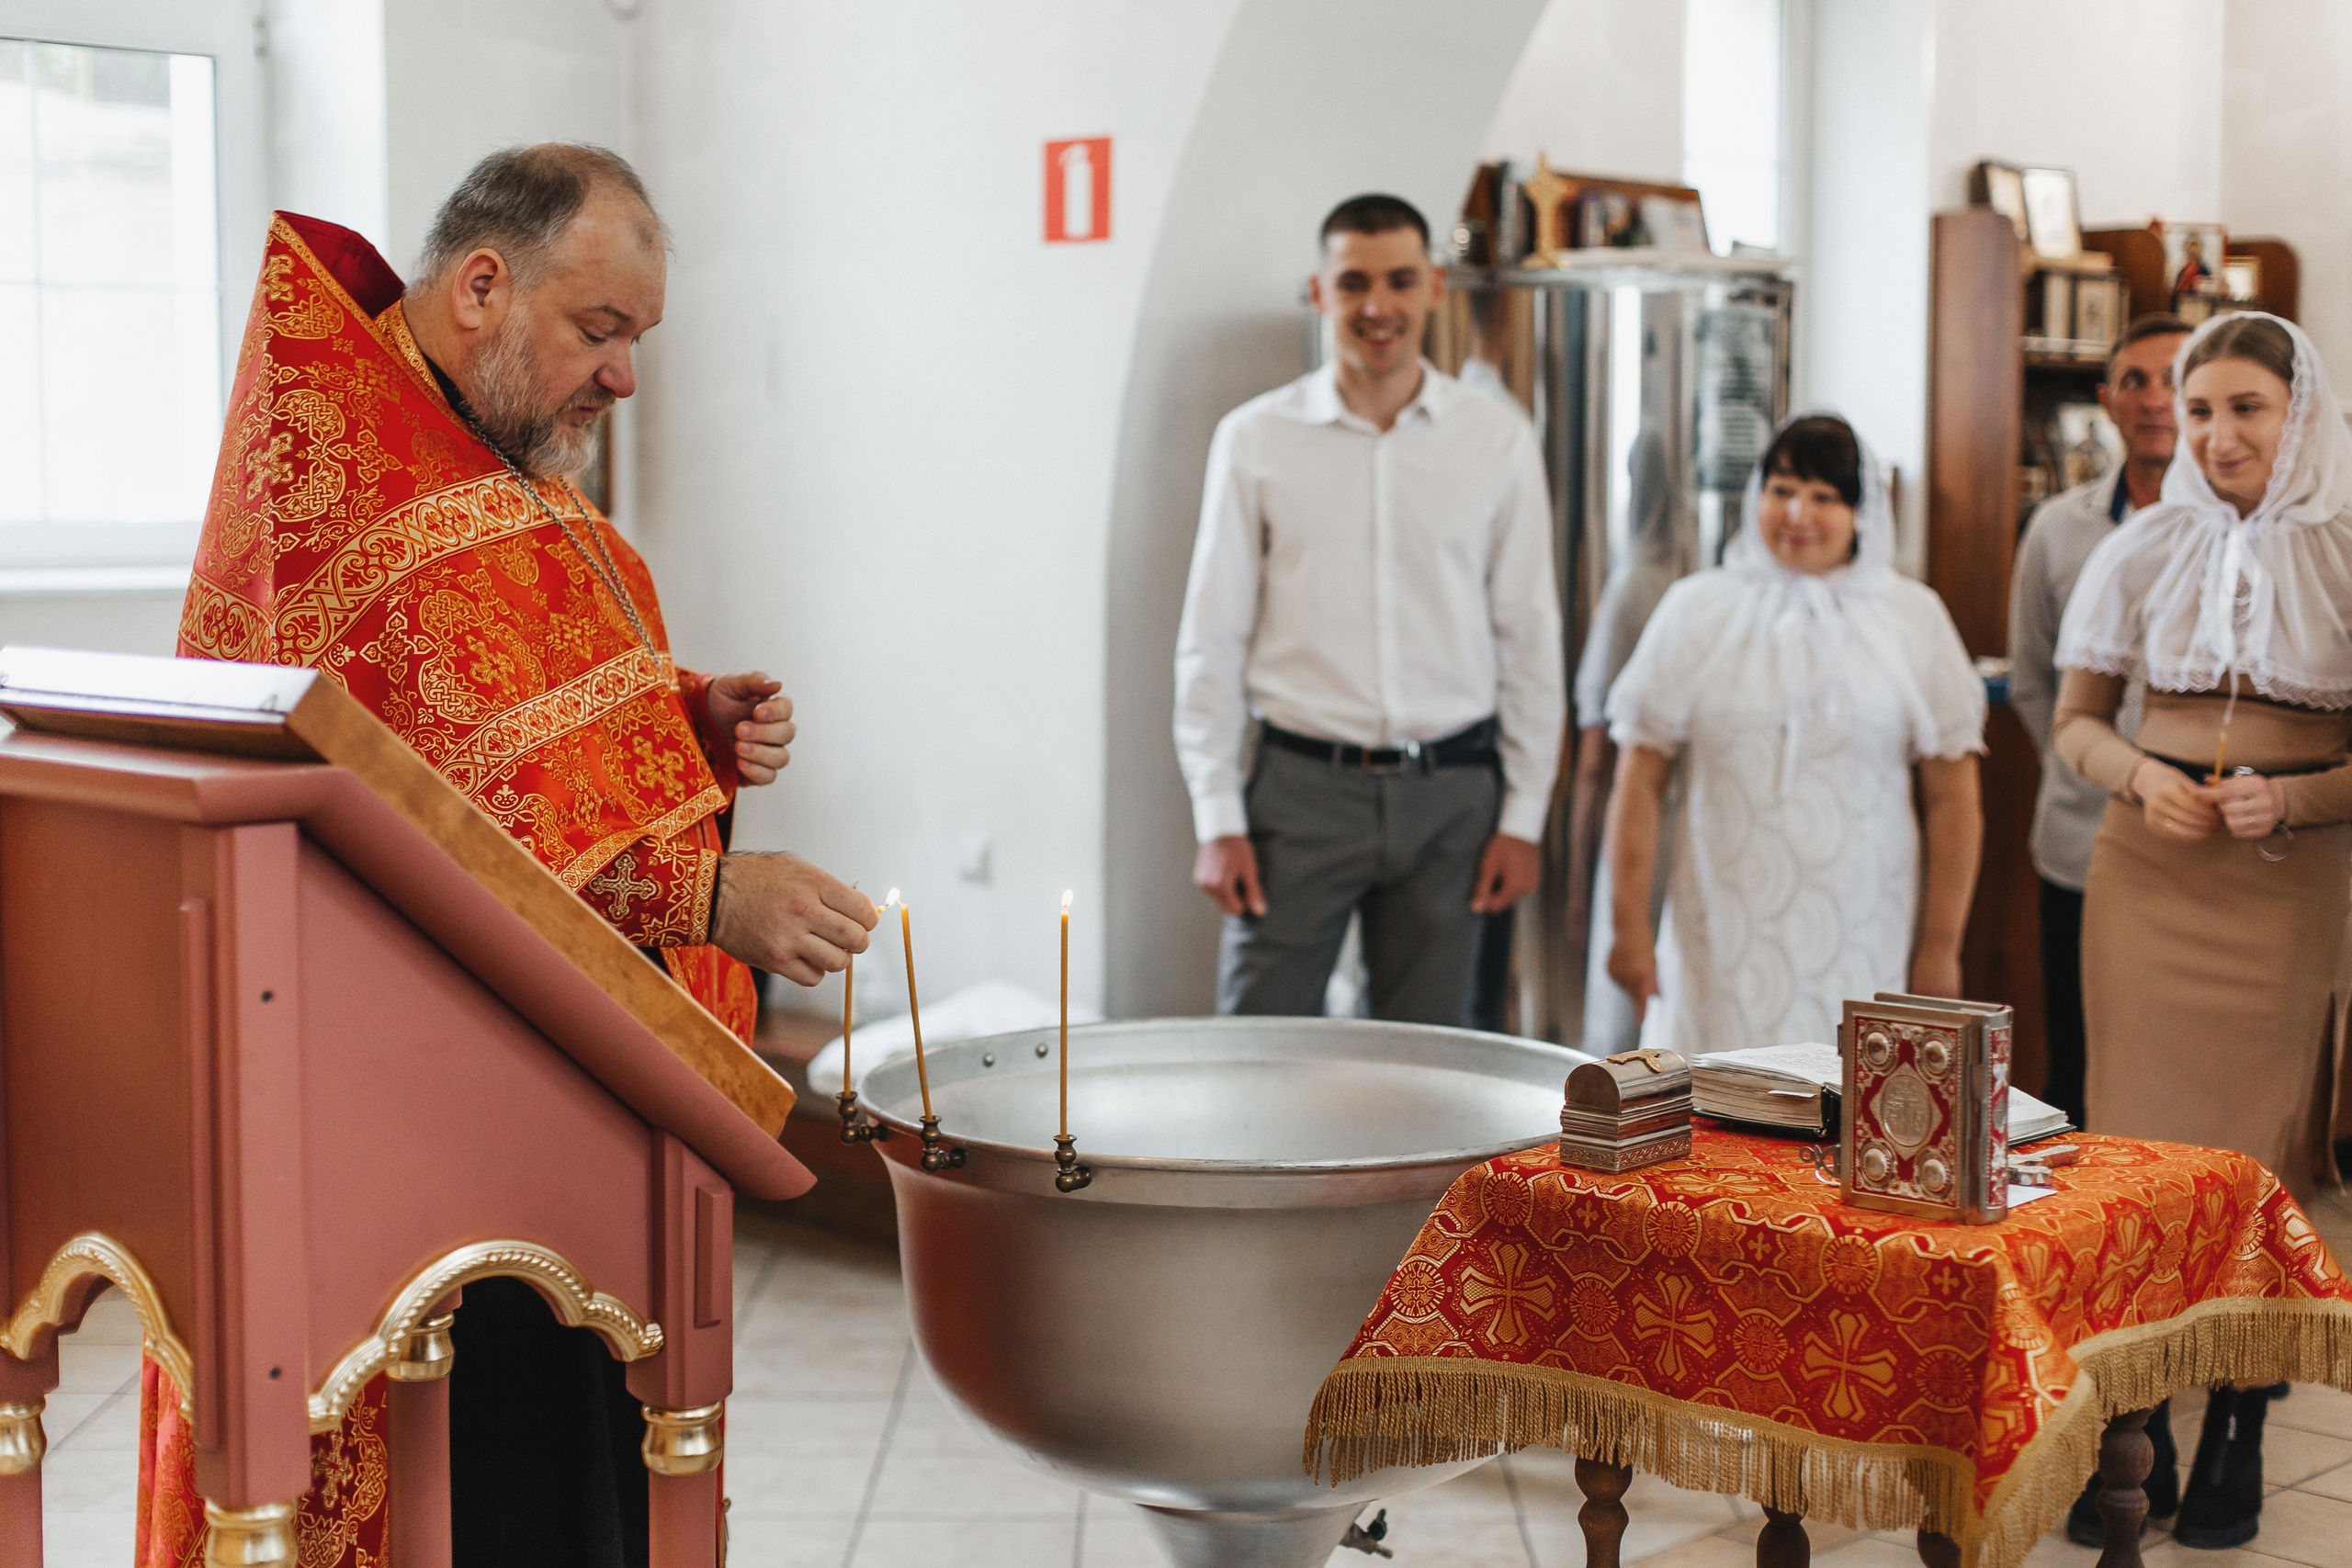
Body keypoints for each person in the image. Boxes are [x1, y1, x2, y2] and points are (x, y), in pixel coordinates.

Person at [155, 145, 876, 1567]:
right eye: (599, 331)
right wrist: (706, 891)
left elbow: (505, 720)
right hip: (408, 1133)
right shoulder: (345, 486)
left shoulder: (484, 455)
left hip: (560, 1114)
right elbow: (395, 799)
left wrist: (682, 721)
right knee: (486, 1501)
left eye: (637, 342)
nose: (622, 379)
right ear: (484, 284)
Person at [2053, 311, 2352, 1551]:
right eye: (2206, 408)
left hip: (2289, 889)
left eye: (2250, 409)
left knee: (2253, 1169)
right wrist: (2136, 774)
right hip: (2147, 881)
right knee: (2133, 1158)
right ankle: (2137, 1420)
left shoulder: (2345, 550)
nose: (2222, 436)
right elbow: (2073, 721)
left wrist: (2296, 794)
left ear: (2303, 415)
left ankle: (2242, 1417)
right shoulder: (2142, 545)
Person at [1174, 193, 1565, 1025]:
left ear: (1434, 288)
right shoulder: (1254, 440)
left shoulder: (1497, 440)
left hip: (1453, 799)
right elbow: (1211, 636)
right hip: (1298, 795)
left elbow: (1529, 636)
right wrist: (1217, 816)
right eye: (1353, 283)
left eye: (1398, 281)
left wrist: (1523, 817)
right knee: (1256, 1052)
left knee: (1430, 1076)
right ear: (1319, 293)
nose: (1377, 307)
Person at [1603, 414, 1984, 1055]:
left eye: (1825, 496)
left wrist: (1940, 948)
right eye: (1781, 489)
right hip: (1720, 927)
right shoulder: (1698, 609)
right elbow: (1640, 780)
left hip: (1866, 922)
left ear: (1862, 511)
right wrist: (1627, 927)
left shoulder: (1913, 618)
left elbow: (1954, 800)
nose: (1797, 513)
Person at [2007, 314, 2190, 1131]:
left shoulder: (2245, 533)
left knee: (2184, 1055)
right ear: (2106, 402)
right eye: (2135, 382)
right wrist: (2097, 766)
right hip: (2081, 838)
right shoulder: (2057, 528)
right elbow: (2034, 681)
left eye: (2176, 380)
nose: (2156, 400)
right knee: (2079, 1059)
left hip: (2206, 841)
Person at [1568, 420, 1684, 1054]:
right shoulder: (1708, 588)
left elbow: (1594, 758)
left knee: (1620, 1041)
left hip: (1636, 832)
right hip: (1699, 839)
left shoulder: (1632, 588)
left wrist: (1579, 881)